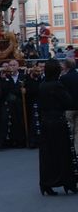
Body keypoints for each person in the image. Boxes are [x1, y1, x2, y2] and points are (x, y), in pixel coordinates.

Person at [37, 59, 78, 195]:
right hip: (57, 121)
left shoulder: (42, 85)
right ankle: (68, 182)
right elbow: (68, 101)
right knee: (63, 152)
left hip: (45, 122)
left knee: (47, 154)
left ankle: (46, 183)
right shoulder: (57, 85)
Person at [60, 58, 78, 153]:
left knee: (69, 130)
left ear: (66, 66)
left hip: (69, 108)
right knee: (77, 132)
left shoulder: (64, 78)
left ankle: (69, 151)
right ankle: (77, 150)